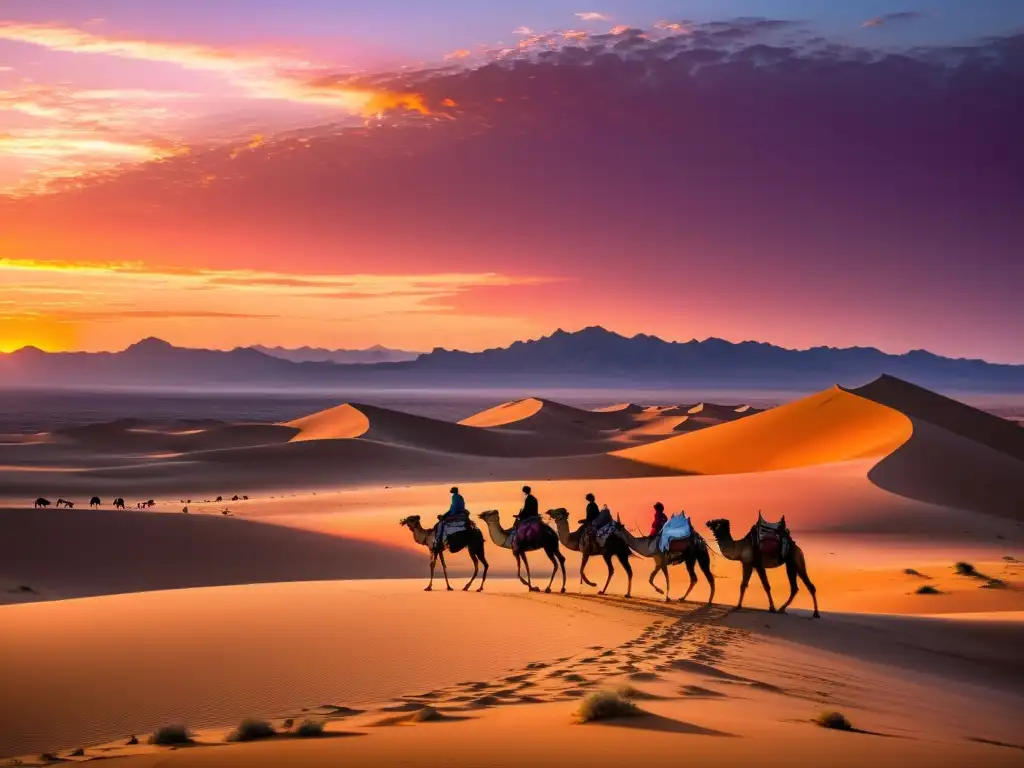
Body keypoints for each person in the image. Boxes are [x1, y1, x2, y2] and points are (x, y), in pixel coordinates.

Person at [434, 486, 467, 553]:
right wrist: (445, 515)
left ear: (453, 491)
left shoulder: (454, 497)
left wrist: (446, 516)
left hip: (456, 514)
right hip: (461, 513)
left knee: (441, 524)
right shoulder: (460, 497)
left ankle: (439, 542)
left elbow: (454, 509)